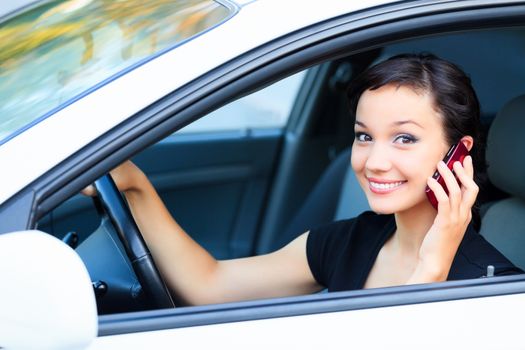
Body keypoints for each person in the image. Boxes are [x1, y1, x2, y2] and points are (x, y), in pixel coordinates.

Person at [85, 53, 522, 305]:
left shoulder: (497, 290)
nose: (374, 162)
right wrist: (135, 185)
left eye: (404, 138)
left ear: (457, 152)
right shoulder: (351, 240)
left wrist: (431, 270)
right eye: (364, 136)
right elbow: (210, 283)